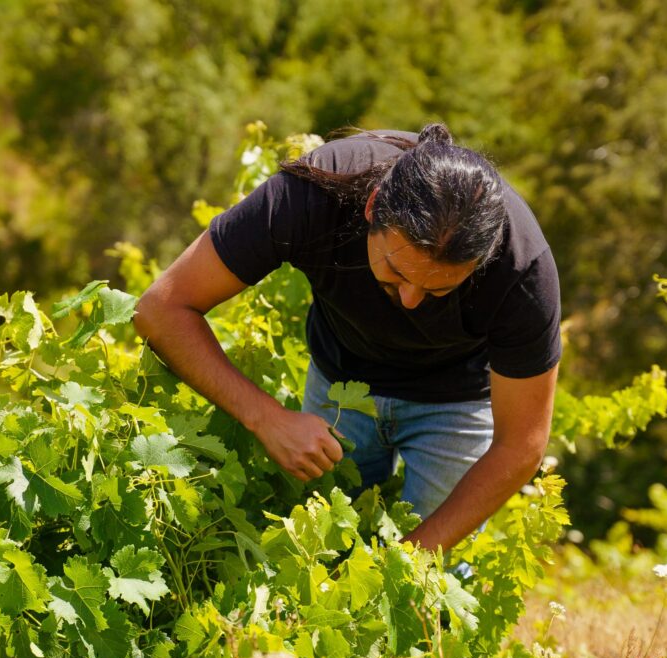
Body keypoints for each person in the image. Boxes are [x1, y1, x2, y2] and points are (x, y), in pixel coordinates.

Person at [133, 123, 561, 553]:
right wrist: (266, 417)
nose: (411, 301)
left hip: (456, 400)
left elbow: (521, 443)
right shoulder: (316, 192)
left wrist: (406, 563)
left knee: (437, 576)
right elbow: (161, 308)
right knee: (321, 554)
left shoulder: (522, 267)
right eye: (397, 272)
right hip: (340, 379)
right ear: (374, 207)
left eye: (438, 290)